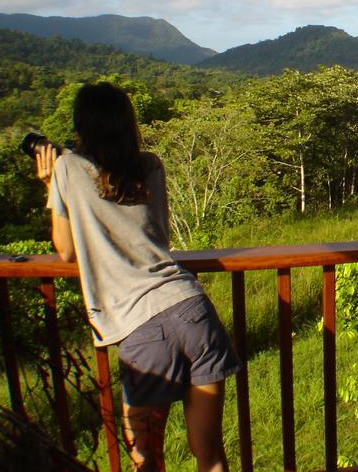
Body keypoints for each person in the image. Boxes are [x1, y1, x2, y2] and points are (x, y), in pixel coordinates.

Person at [36, 82, 239, 472]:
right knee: (210, 456)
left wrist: (49, 186)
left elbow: (65, 250)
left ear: (82, 126)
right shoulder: (149, 165)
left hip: (141, 326)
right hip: (192, 309)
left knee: (147, 460)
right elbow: (158, 237)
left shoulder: (66, 168)